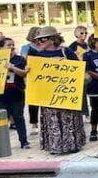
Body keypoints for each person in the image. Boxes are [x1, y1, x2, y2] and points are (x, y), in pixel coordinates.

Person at [27, 26, 86, 154]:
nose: (39, 42)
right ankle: (55, 146)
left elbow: (79, 70)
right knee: (52, 121)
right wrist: (28, 71)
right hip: (49, 98)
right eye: (38, 40)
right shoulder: (38, 55)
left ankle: (72, 145)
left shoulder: (66, 52)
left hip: (66, 94)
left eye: (42, 39)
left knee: (69, 120)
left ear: (53, 39)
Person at [0, 38, 29, 148]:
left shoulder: (19, 59)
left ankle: (24, 141)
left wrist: (12, 67)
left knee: (19, 117)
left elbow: (23, 74)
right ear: (0, 48)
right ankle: (1, 144)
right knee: (0, 119)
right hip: (0, 96)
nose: (11, 47)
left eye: (13, 45)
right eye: (8, 45)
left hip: (16, 94)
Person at [20, 26, 40, 136]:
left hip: (44, 76)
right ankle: (34, 124)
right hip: (31, 76)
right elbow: (23, 60)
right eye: (37, 33)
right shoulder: (26, 47)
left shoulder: (44, 47)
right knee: (33, 101)